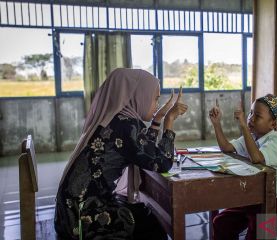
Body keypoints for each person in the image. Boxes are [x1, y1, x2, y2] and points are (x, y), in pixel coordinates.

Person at [54, 68, 188, 240]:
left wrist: (157, 120)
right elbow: (162, 162)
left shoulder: (115, 119)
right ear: (138, 96)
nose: (156, 105)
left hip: (69, 211)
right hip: (81, 220)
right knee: (152, 223)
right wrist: (169, 121)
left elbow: (142, 149)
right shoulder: (126, 126)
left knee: (144, 212)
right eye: (155, 99)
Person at [209, 94, 277, 240]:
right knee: (221, 223)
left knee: (257, 236)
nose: (250, 118)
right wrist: (217, 124)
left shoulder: (275, 141)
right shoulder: (252, 136)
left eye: (257, 116)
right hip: (253, 196)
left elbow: (257, 158)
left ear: (272, 124)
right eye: (251, 113)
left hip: (275, 201)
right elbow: (227, 147)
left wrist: (243, 127)